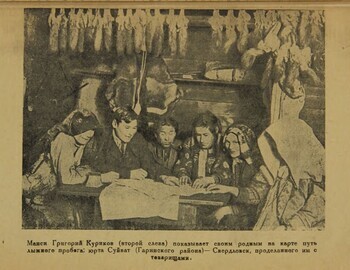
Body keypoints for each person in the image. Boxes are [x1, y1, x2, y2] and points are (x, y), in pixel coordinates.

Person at [252, 118, 325, 231]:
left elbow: (313, 214)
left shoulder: (314, 179)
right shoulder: (282, 174)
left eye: (281, 150)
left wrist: (289, 227)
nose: (277, 155)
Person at [206, 124, 270, 230]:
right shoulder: (232, 160)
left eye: (235, 142)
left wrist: (229, 193)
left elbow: (256, 196)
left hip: (254, 214)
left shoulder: (258, 165)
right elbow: (222, 175)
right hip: (236, 208)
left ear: (246, 143)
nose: (231, 147)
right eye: (228, 142)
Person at [173, 111, 231, 188]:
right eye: (198, 135)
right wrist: (183, 175)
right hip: (192, 189)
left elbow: (227, 173)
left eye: (205, 135)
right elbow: (182, 164)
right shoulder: (190, 143)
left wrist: (211, 179)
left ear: (215, 131)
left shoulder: (222, 144)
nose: (201, 140)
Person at [95, 106, 154, 180]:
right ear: (115, 124)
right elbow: (98, 166)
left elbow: (150, 163)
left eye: (134, 128)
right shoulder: (101, 139)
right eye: (127, 127)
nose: (131, 133)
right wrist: (127, 174)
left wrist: (163, 177)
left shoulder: (138, 139)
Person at [148, 117, 182, 186]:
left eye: (171, 133)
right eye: (163, 134)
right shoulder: (150, 147)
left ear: (175, 134)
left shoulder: (180, 148)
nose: (167, 138)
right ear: (156, 135)